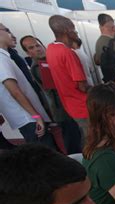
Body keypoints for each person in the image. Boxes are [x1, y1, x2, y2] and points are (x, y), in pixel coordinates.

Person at [20, 35, 82, 154]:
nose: (37, 49)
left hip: (67, 105)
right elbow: (59, 84)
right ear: (28, 53)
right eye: (31, 48)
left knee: (75, 135)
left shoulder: (48, 61)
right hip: (61, 109)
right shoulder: (39, 67)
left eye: (38, 45)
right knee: (72, 138)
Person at [0, 25, 55, 147]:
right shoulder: (1, 59)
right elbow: (15, 92)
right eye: (7, 30)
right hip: (29, 119)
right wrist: (36, 116)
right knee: (47, 157)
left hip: (30, 118)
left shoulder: (5, 56)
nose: (11, 34)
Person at [46, 15, 91, 146]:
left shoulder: (50, 49)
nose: (76, 32)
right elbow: (82, 86)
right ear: (66, 30)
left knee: (85, 136)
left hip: (70, 104)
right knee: (92, 139)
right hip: (82, 105)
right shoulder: (68, 53)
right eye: (73, 28)